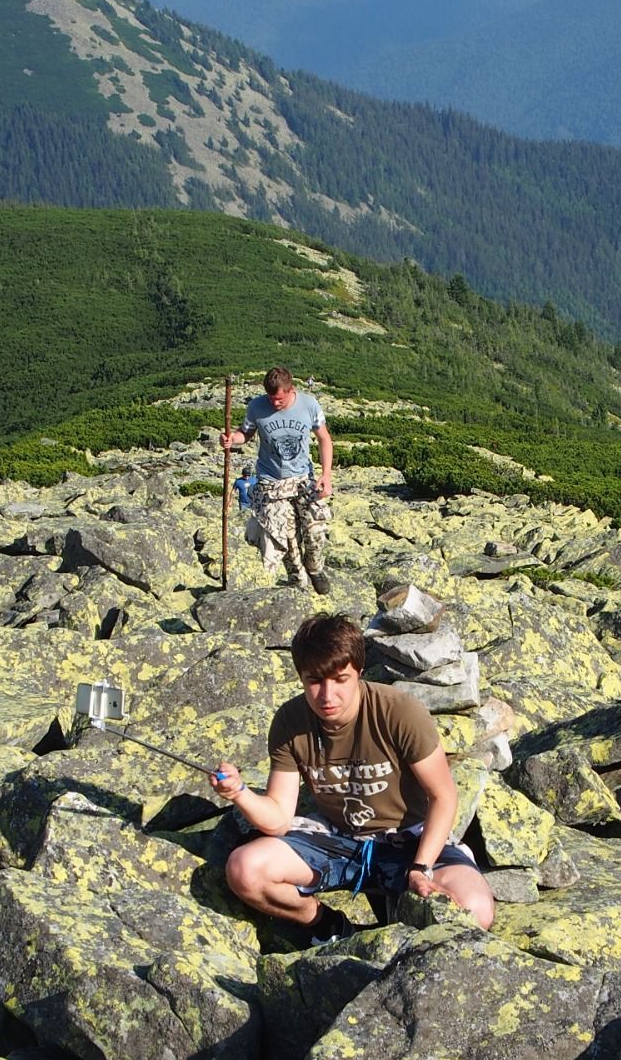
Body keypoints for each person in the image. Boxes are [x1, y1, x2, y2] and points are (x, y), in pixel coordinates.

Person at [210, 614, 496, 941]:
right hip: (339, 837)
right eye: (314, 680)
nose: (327, 695)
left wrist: (421, 868)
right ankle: (325, 926)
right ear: (300, 677)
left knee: (475, 910)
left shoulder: (399, 712)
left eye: (340, 679)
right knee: (245, 870)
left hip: (410, 840)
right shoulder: (290, 722)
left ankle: (399, 923)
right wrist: (240, 792)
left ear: (358, 672)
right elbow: (277, 819)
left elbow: (443, 796)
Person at [221, 367, 334, 595]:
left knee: (315, 530)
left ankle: (315, 568)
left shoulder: (309, 405)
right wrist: (232, 439)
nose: (275, 404)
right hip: (271, 481)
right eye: (271, 399)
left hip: (303, 478)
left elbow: (324, 439)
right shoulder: (256, 407)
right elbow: (246, 434)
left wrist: (327, 474)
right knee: (286, 537)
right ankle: (298, 580)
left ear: (291, 389)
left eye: (279, 399)